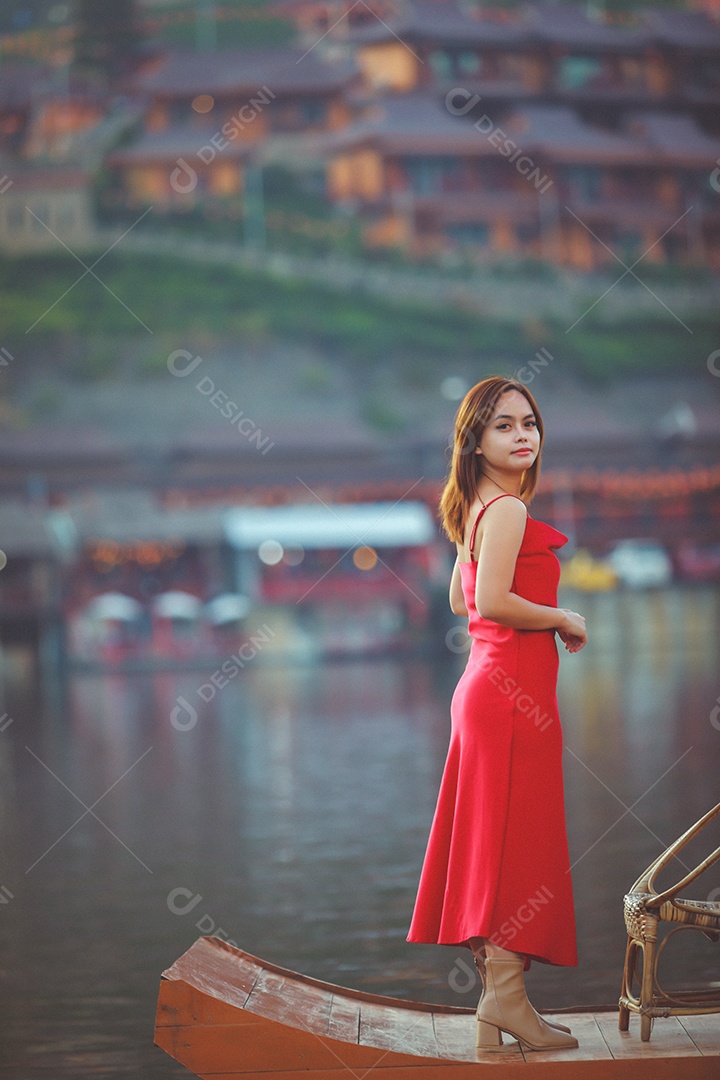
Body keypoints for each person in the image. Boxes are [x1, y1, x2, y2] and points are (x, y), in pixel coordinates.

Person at [407, 376, 587, 1052]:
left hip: (485, 690)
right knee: (519, 845)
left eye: (530, 423)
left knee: (496, 843)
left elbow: (463, 602)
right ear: (475, 442)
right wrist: (562, 616)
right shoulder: (505, 511)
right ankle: (506, 999)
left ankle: (499, 1005)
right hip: (511, 694)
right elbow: (495, 601)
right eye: (505, 425)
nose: (523, 435)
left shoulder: (476, 509)